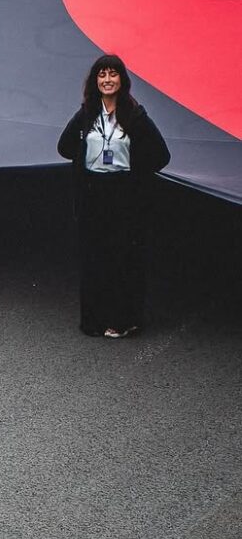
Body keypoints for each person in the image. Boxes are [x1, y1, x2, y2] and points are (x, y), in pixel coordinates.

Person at [57, 53, 170, 337]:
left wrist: (135, 174)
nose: (107, 80)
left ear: (122, 80)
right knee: (94, 258)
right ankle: (94, 321)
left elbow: (161, 155)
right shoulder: (87, 114)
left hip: (124, 196)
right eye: (102, 74)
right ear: (95, 81)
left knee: (123, 258)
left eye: (113, 74)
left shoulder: (135, 115)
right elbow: (64, 147)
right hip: (93, 194)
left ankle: (123, 320)